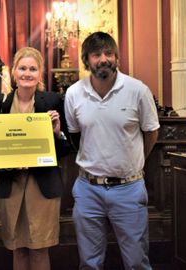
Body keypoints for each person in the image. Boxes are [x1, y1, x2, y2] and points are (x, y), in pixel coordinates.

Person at [64, 31, 159, 269]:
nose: (103, 59)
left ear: (116, 57)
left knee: (137, 262)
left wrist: (132, 164)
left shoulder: (138, 90)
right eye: (96, 54)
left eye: (108, 53)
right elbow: (76, 136)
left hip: (129, 189)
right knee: (89, 263)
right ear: (86, 60)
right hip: (87, 191)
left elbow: (151, 133)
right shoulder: (74, 93)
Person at [0, 47, 69, 270]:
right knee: (18, 248)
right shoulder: (0, 103)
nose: (27, 73)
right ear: (14, 72)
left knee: (39, 249)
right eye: (22, 68)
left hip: (41, 185)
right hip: (11, 185)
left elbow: (65, 148)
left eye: (33, 69)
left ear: (40, 73)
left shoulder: (53, 101)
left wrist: (57, 133)